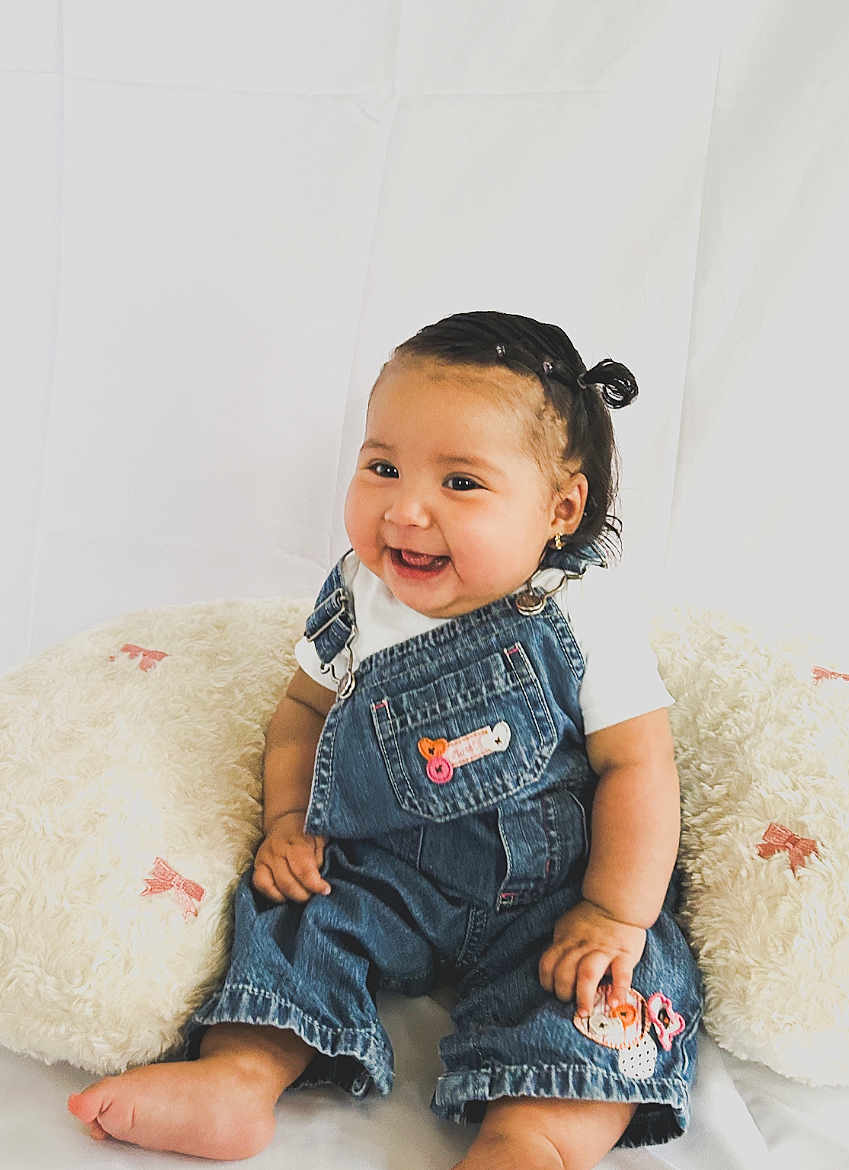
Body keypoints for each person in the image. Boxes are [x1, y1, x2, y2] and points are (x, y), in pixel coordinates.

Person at [68, 310, 703, 1168]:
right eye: (383, 466)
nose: (407, 509)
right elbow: (302, 710)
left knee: (610, 995)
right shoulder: (360, 594)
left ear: (561, 507)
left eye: (462, 484)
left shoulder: (581, 614)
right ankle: (240, 1076)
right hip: (388, 863)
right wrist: (290, 821)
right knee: (293, 915)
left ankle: (534, 1137)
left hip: (556, 890)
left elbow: (637, 765)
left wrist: (613, 913)